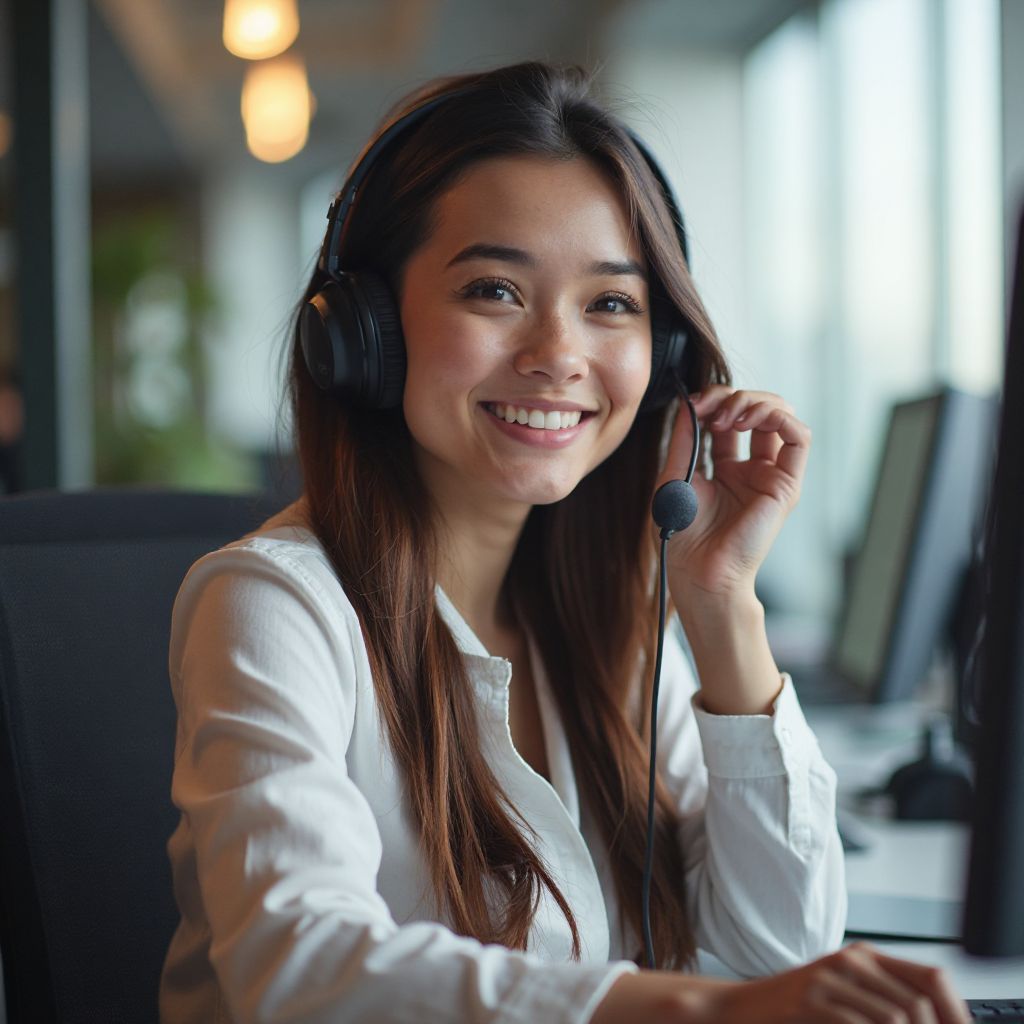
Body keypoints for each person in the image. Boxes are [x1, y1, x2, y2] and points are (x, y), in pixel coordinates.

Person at [159, 62, 968, 1023]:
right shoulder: (273, 603)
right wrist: (703, 1012)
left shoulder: (619, 620)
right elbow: (299, 970)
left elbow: (775, 959)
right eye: (495, 289)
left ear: (661, 362)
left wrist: (723, 608)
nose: (558, 354)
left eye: (611, 304)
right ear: (367, 332)